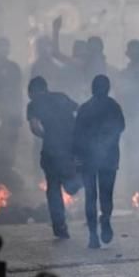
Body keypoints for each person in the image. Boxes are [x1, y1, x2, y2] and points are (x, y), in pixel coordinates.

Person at [73, 75, 125, 249]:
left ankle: (93, 236)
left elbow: (77, 136)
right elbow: (120, 128)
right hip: (108, 157)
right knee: (106, 194)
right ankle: (105, 219)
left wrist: (78, 158)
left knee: (91, 196)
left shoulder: (85, 108)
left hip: (89, 158)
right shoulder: (114, 107)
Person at [25, 76, 80, 238]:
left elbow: (35, 127)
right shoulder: (62, 97)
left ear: (32, 92)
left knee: (53, 188)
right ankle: (77, 183)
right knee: (72, 182)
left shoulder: (33, 104)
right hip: (71, 148)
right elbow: (80, 110)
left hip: (51, 151)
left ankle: (60, 226)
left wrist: (48, 137)